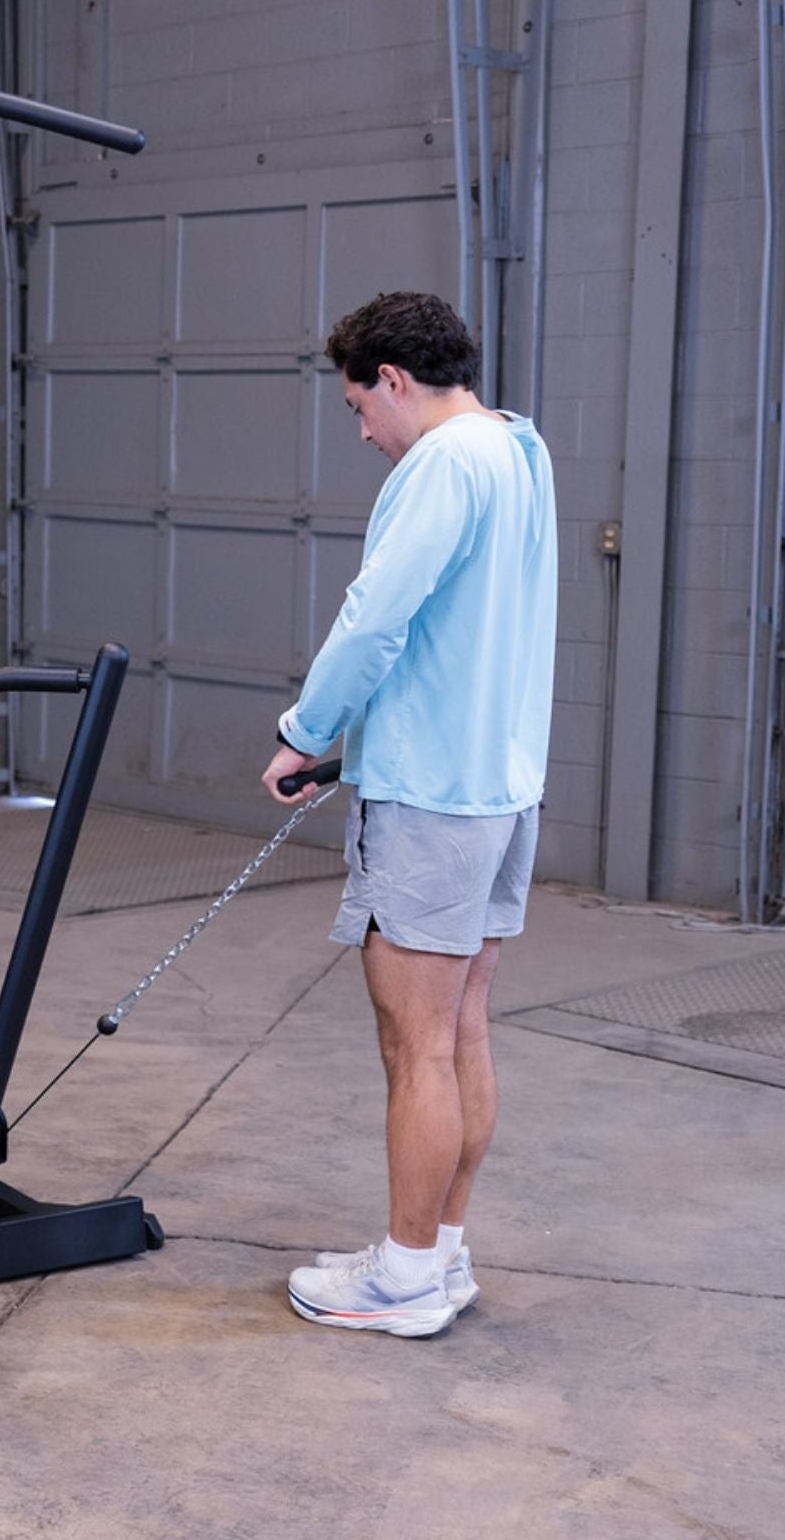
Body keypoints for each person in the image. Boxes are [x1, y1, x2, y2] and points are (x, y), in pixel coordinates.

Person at [261, 291, 557, 1338]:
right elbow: (466, 629)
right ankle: (440, 1252)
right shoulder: (519, 451)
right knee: (460, 1027)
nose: (362, 433)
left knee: (415, 1043)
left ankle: (401, 1281)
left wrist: (306, 728)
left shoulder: (440, 463)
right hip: (498, 784)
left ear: (393, 379)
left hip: (432, 799)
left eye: (358, 406)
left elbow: (376, 615)